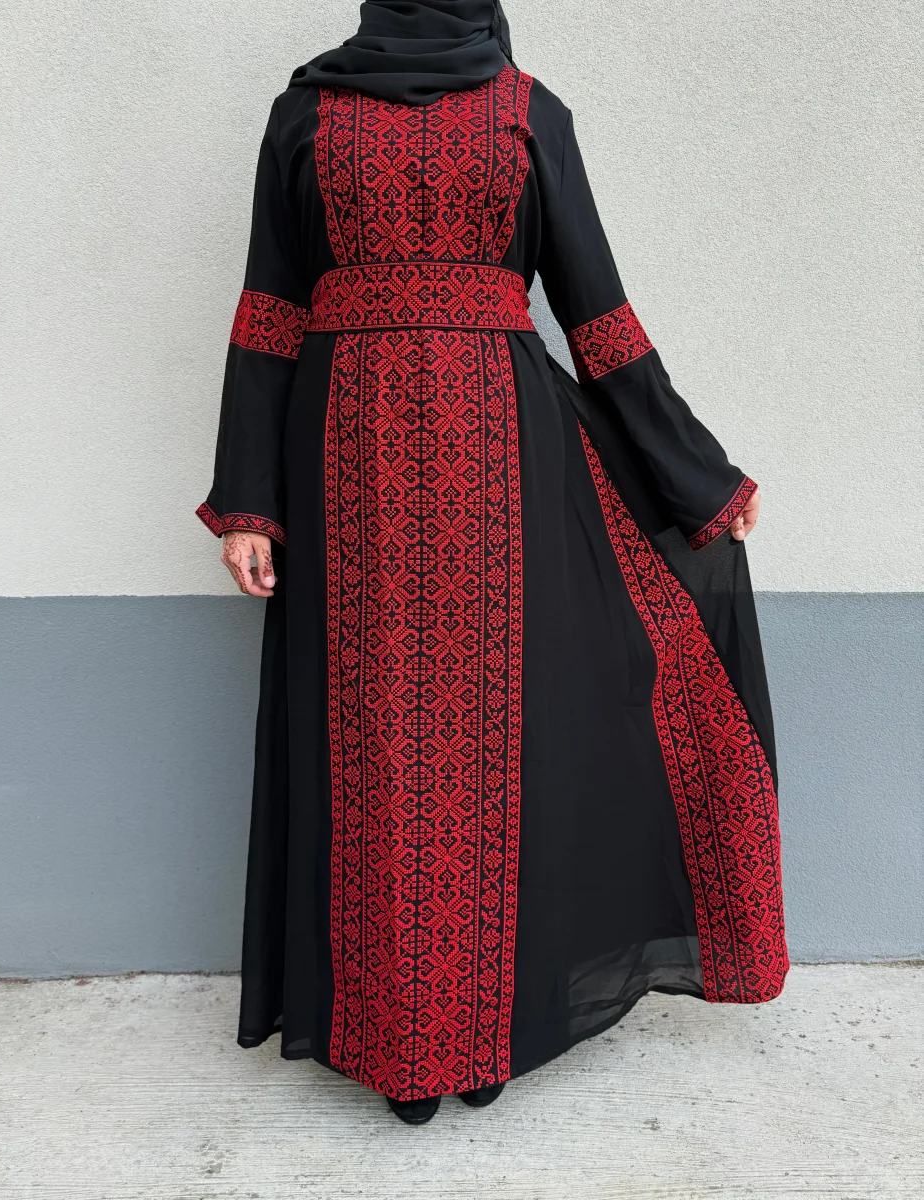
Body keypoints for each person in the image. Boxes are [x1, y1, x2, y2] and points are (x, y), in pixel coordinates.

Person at [197, 0, 788, 1125]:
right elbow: (270, 308)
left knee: (482, 741)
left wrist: (694, 477)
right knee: (383, 745)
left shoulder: (519, 111)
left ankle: (477, 1031)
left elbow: (594, 313)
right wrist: (248, 503)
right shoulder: (311, 115)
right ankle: (406, 1038)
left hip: (469, 460)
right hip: (365, 466)